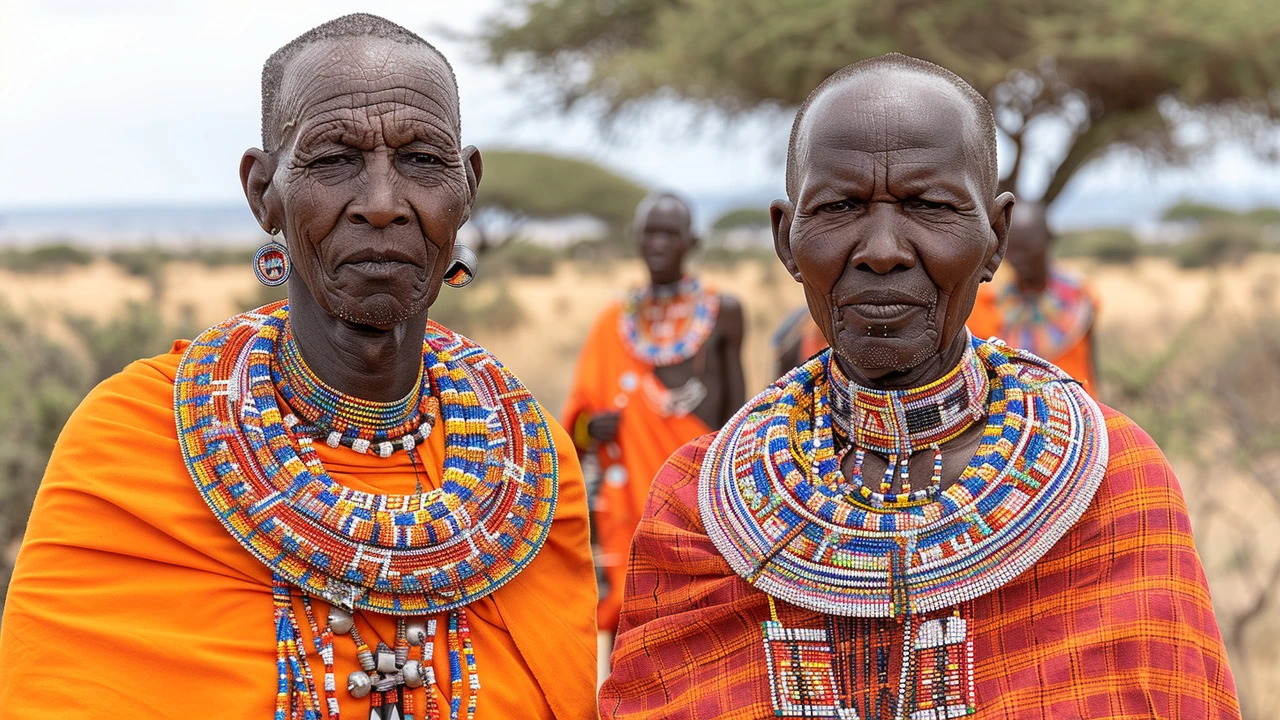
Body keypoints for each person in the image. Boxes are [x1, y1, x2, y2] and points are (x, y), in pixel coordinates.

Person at [599, 53, 1239, 719]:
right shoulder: (696, 506)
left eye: (930, 205)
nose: (883, 249)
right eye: (841, 205)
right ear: (787, 238)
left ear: (996, 236)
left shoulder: (1114, 481)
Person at [0, 14, 597, 719]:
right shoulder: (132, 445)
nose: (381, 205)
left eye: (421, 161)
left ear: (465, 189)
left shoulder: (527, 463)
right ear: (263, 193)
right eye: (334, 159)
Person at [562, 193, 745, 646]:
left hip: (694, 498)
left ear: (692, 241)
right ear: (636, 239)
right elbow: (577, 428)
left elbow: (735, 416)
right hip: (627, 501)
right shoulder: (613, 322)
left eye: (670, 233)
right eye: (651, 232)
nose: (659, 243)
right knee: (628, 612)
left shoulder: (723, 312)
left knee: (694, 618)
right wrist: (592, 428)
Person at [967, 202, 1100, 394]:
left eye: (1027, 248)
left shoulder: (1080, 298)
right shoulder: (986, 304)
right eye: (1012, 249)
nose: (1019, 258)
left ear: (1048, 239)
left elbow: (1091, 367)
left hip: (1080, 412)